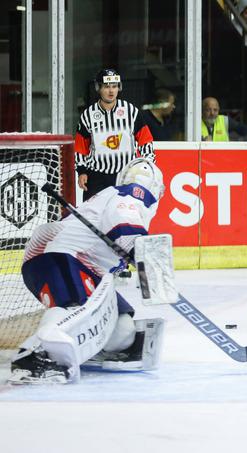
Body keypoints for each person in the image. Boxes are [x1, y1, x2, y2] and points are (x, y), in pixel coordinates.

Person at [8, 158, 166, 384]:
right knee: (73, 308)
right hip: (59, 255)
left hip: (87, 267)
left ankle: (77, 346)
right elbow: (124, 224)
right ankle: (33, 354)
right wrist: (145, 257)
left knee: (123, 331)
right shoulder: (134, 193)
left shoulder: (109, 196)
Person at [75, 69, 155, 201]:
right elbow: (80, 147)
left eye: (114, 86)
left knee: (124, 215)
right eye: (106, 87)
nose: (111, 91)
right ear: (98, 88)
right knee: (93, 217)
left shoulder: (130, 111)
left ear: (119, 87)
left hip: (126, 175)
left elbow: (145, 140)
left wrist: (147, 165)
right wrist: (82, 171)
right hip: (97, 176)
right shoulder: (88, 115)